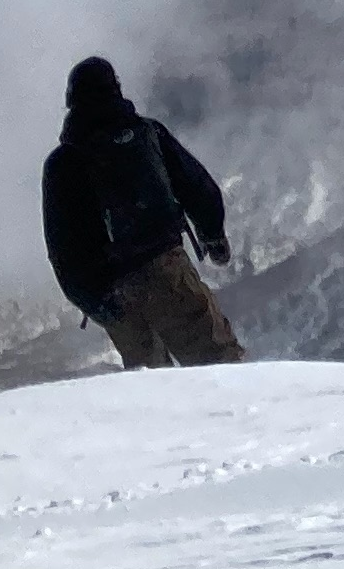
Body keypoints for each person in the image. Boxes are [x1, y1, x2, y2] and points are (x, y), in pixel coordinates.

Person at [40, 56, 245, 367]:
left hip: (112, 289)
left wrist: (95, 304)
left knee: (153, 391)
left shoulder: (62, 164)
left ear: (71, 100)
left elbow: (61, 249)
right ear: (117, 90)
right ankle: (243, 416)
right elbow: (199, 187)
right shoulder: (148, 134)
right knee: (218, 363)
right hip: (168, 268)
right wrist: (214, 240)